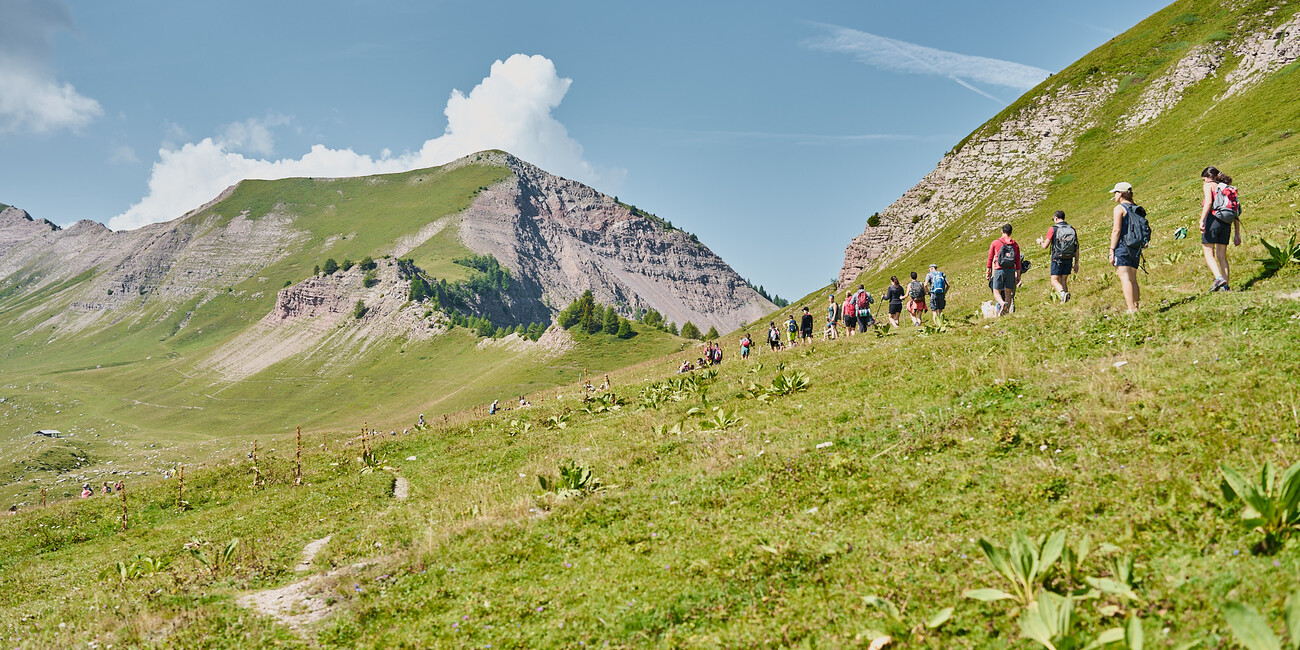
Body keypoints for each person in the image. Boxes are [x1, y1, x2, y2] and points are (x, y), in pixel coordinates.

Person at [1199, 166, 1242, 291]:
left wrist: (1202, 220)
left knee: (1208, 252)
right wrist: (1237, 234)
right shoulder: (1226, 188)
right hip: (1226, 223)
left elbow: (1208, 202)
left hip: (1213, 220)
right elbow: (1235, 212)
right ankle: (1226, 286)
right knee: (1222, 256)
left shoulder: (1209, 185)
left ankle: (1218, 278)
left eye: (1203, 179)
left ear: (1209, 178)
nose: (1203, 182)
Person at [1108, 181, 1148, 313]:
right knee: (1133, 278)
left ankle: (1131, 309)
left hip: (1122, 246)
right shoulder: (1136, 208)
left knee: (1125, 278)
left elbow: (1116, 231)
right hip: (1135, 247)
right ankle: (1136, 306)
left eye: (1115, 193)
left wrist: (1112, 250)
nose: (1114, 196)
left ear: (1120, 194)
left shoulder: (1119, 209)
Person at [1037, 211, 1079, 302]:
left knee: (1054, 281)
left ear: (1056, 218)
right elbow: (1076, 247)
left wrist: (1040, 242)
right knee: (1063, 281)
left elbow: (1045, 246)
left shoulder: (1053, 229)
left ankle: (1063, 294)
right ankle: (1066, 301)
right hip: (1069, 257)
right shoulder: (1072, 228)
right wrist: (1076, 263)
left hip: (1057, 258)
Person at [985, 224, 1021, 316]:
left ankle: (1002, 303)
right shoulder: (1014, 244)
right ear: (1011, 232)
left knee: (996, 291)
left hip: (999, 269)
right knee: (1008, 292)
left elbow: (990, 258)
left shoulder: (995, 243)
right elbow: (1017, 260)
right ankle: (1007, 312)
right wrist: (1018, 274)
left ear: (1001, 231)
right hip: (1011, 270)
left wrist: (988, 271)